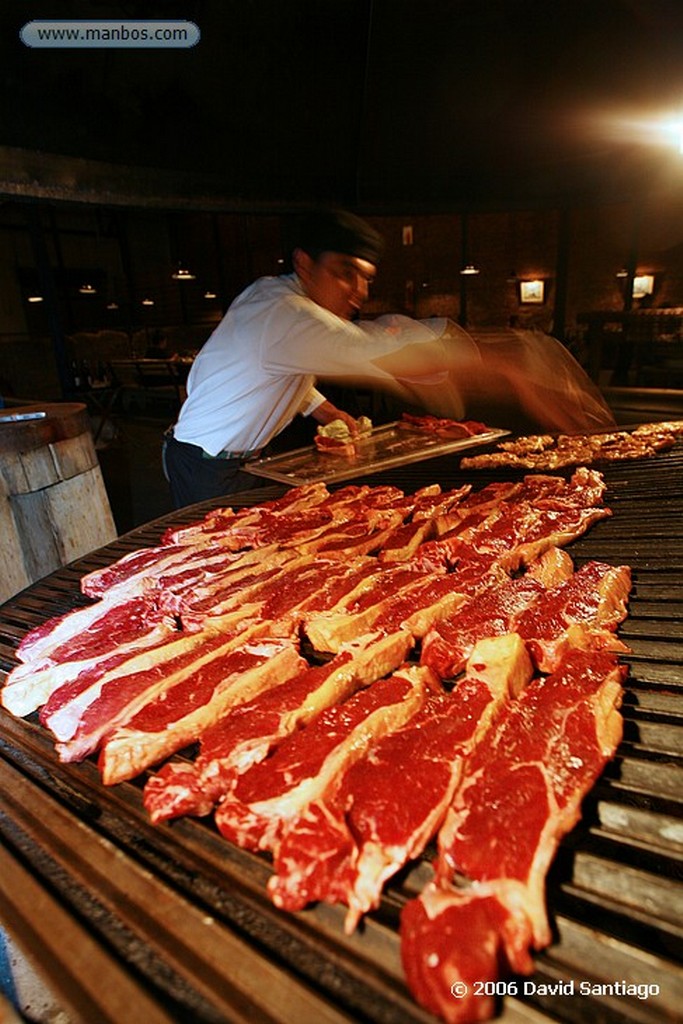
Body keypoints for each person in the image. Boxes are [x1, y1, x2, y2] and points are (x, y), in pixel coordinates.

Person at [162, 208, 471, 508]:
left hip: (238, 459)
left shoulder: (273, 296)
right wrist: (495, 366)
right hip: (205, 464)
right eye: (345, 272)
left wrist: (326, 411)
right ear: (304, 264)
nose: (360, 291)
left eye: (367, 278)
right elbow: (366, 349)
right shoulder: (284, 312)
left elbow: (281, 370)